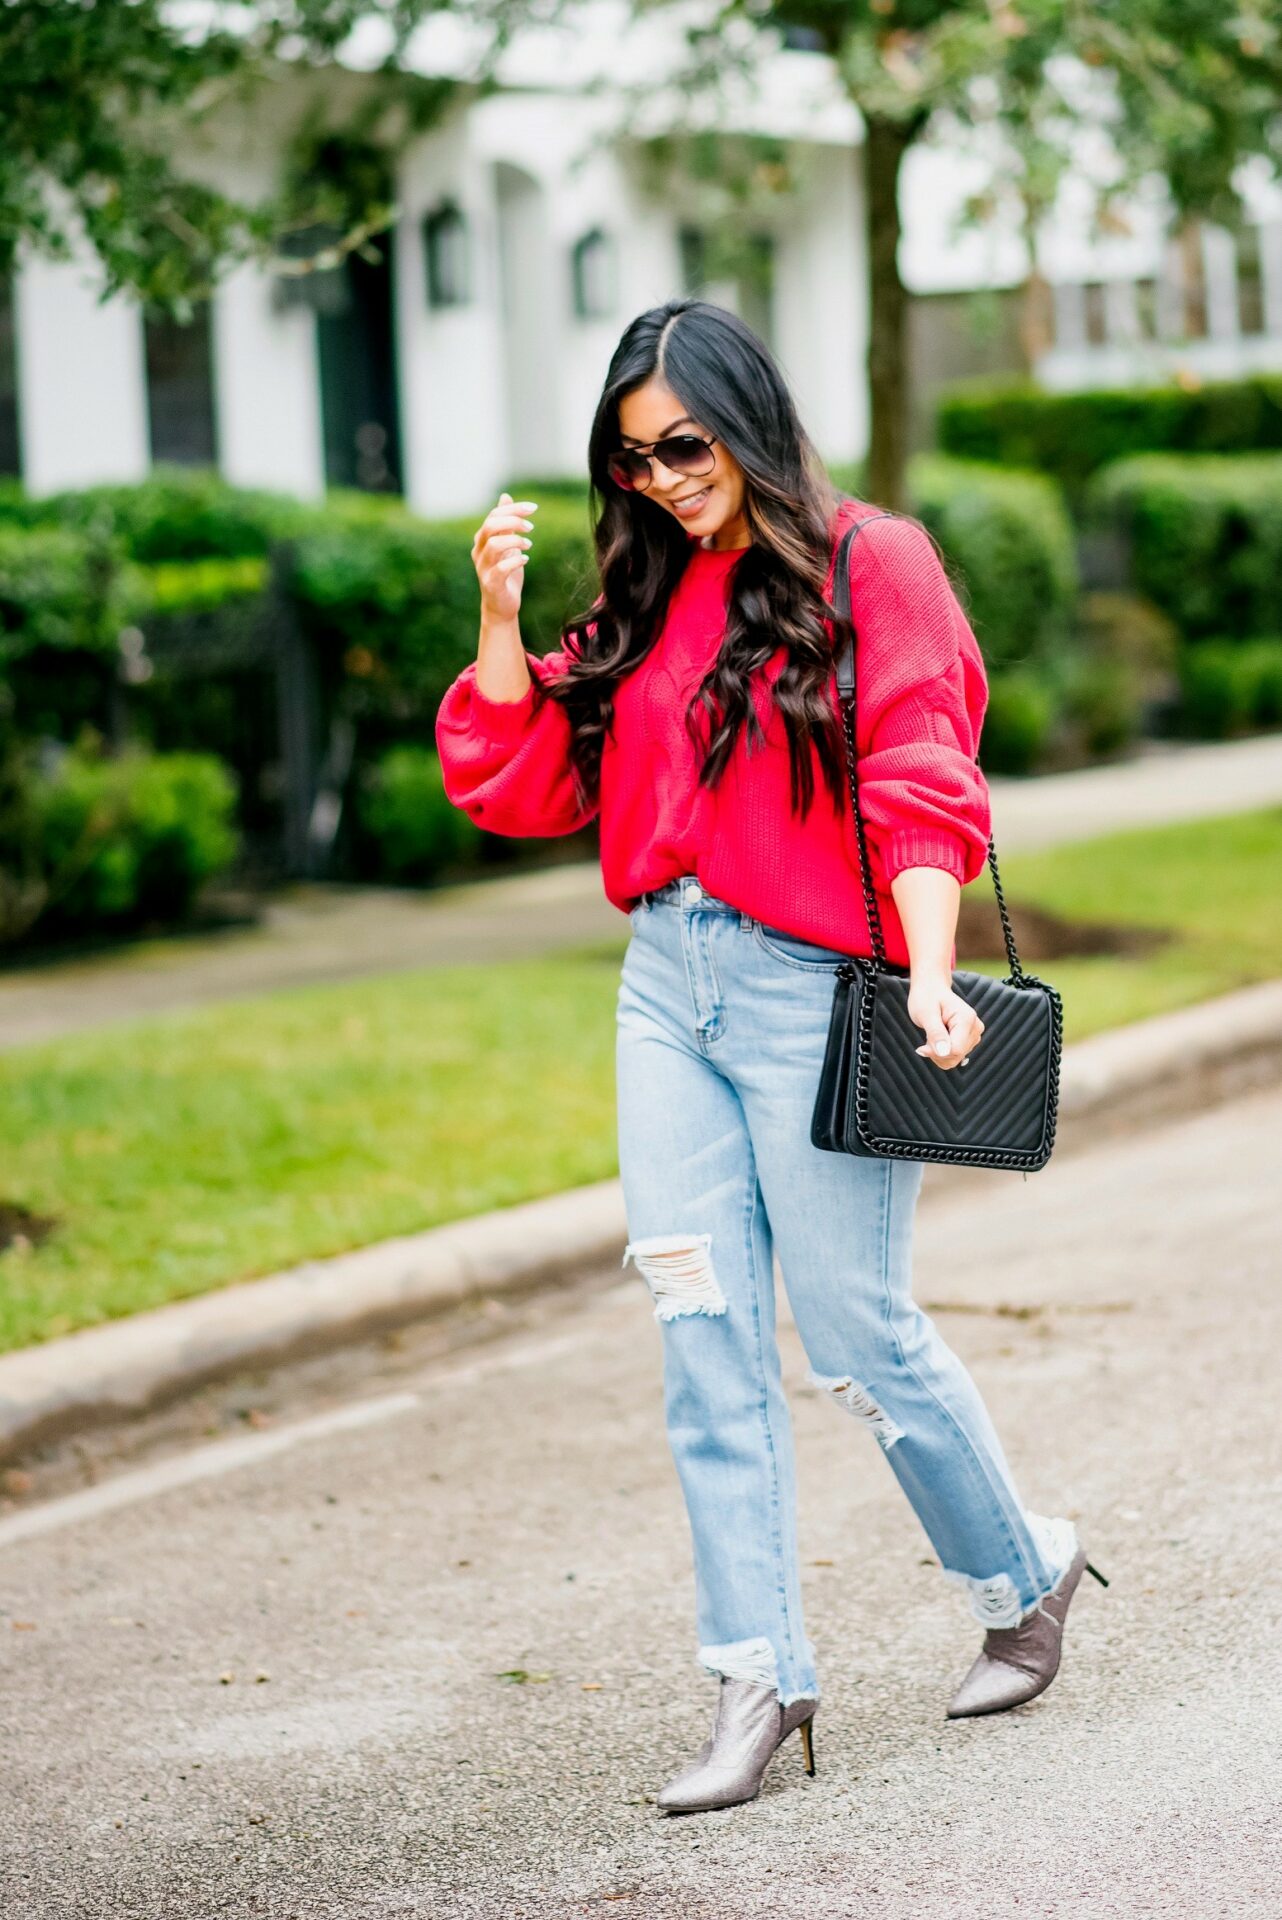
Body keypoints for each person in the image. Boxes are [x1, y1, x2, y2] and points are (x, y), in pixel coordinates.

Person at [435, 297, 1105, 1817]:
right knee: (699, 1331)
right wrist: (497, 617)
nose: (661, 479)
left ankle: (1023, 1572)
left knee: (856, 1333)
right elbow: (524, 782)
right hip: (663, 987)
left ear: (748, 418)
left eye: (682, 446)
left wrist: (931, 977)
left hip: (819, 994)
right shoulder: (650, 592)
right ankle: (758, 1679)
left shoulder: (878, 562)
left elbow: (921, 774)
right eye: (629, 460)